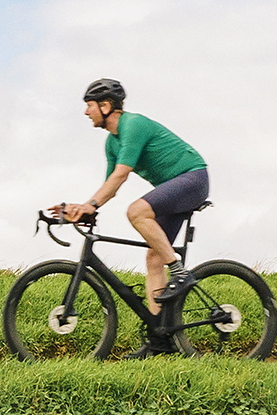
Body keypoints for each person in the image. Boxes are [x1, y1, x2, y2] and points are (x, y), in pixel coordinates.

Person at [50, 78, 209, 358]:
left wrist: (90, 205)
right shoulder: (112, 144)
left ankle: (180, 273)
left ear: (106, 106)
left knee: (136, 211)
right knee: (153, 258)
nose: (86, 112)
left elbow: (122, 173)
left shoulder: (132, 125)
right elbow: (110, 186)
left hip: (192, 179)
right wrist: (80, 209)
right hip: (173, 190)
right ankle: (161, 342)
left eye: (89, 106)